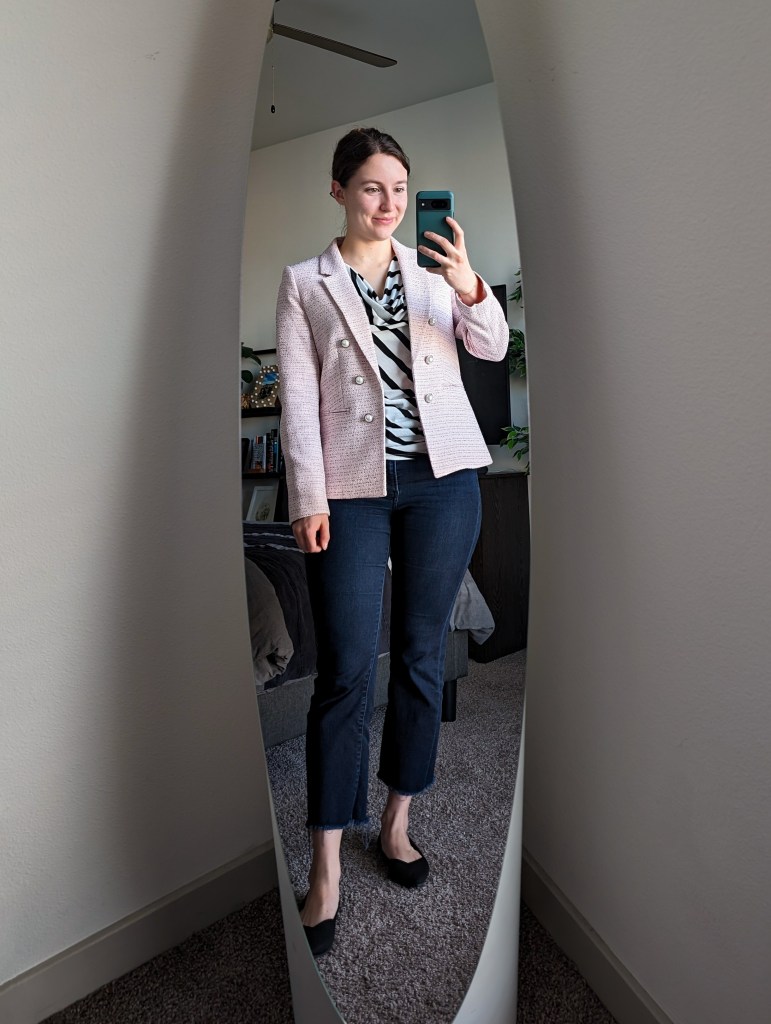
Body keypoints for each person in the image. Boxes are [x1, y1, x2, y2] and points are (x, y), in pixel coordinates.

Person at [275, 127, 508, 957]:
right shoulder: (305, 283)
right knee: (342, 671)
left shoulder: (431, 272)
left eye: (401, 188)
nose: (389, 204)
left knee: (417, 655)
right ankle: (327, 863)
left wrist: (472, 286)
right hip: (350, 490)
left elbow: (491, 348)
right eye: (372, 187)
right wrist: (306, 496)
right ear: (337, 190)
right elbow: (297, 400)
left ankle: (398, 824)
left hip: (444, 482)